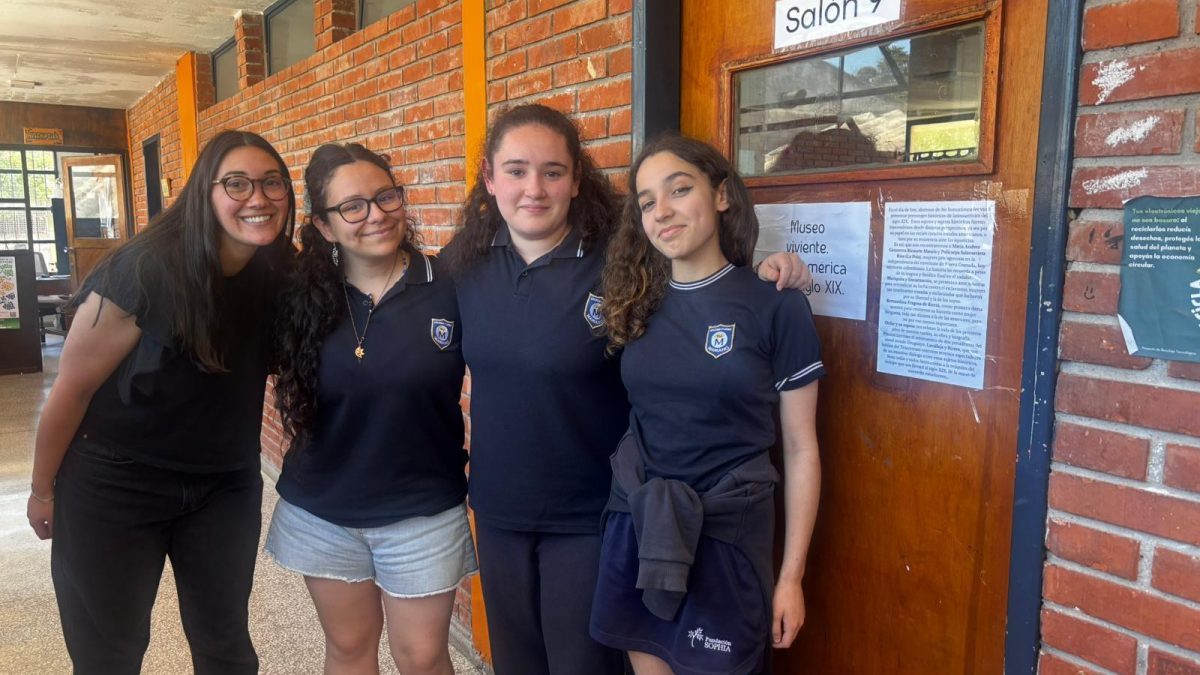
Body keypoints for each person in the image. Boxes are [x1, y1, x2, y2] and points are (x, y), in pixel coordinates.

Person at [442, 104, 811, 675]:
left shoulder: (617, 261)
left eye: (553, 171)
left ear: (576, 180)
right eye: (515, 171)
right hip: (498, 509)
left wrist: (769, 266)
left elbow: (699, 269)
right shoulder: (461, 265)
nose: (534, 188)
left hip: (595, 512)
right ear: (490, 179)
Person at [26, 129, 295, 674]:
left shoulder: (280, 271)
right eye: (237, 184)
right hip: (116, 481)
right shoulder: (144, 269)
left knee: (226, 647)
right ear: (204, 192)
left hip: (223, 484)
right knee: (108, 652)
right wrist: (42, 489)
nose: (258, 198)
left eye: (272, 183)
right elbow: (72, 389)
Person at [591, 135, 824, 675]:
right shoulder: (635, 303)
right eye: (647, 201)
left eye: (679, 190)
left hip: (727, 535)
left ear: (720, 196)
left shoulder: (777, 305)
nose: (662, 211)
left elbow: (801, 449)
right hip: (640, 526)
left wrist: (791, 577)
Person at [266, 143, 476, 675]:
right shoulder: (299, 296)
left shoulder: (448, 285)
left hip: (423, 510)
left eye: (385, 197)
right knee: (349, 649)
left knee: (422, 657)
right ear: (325, 226)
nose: (376, 215)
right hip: (324, 511)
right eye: (352, 207)